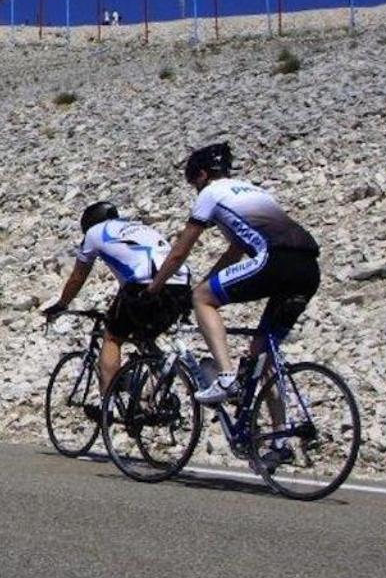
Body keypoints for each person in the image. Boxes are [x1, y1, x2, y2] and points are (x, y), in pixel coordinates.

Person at [145, 142, 321, 406]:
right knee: (262, 358)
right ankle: (280, 439)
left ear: (202, 175)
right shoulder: (254, 190)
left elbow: (180, 252)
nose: (196, 189)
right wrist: (204, 283)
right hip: (308, 268)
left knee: (202, 299)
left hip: (275, 260)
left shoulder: (211, 192)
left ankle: (226, 377)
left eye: (194, 183)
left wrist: (155, 287)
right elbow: (233, 254)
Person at [42, 201, 193, 400]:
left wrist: (62, 304)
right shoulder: (139, 227)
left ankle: (107, 403)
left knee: (112, 337)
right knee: (142, 332)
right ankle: (160, 370)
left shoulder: (94, 233)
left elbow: (78, 276)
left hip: (145, 284)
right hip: (181, 284)